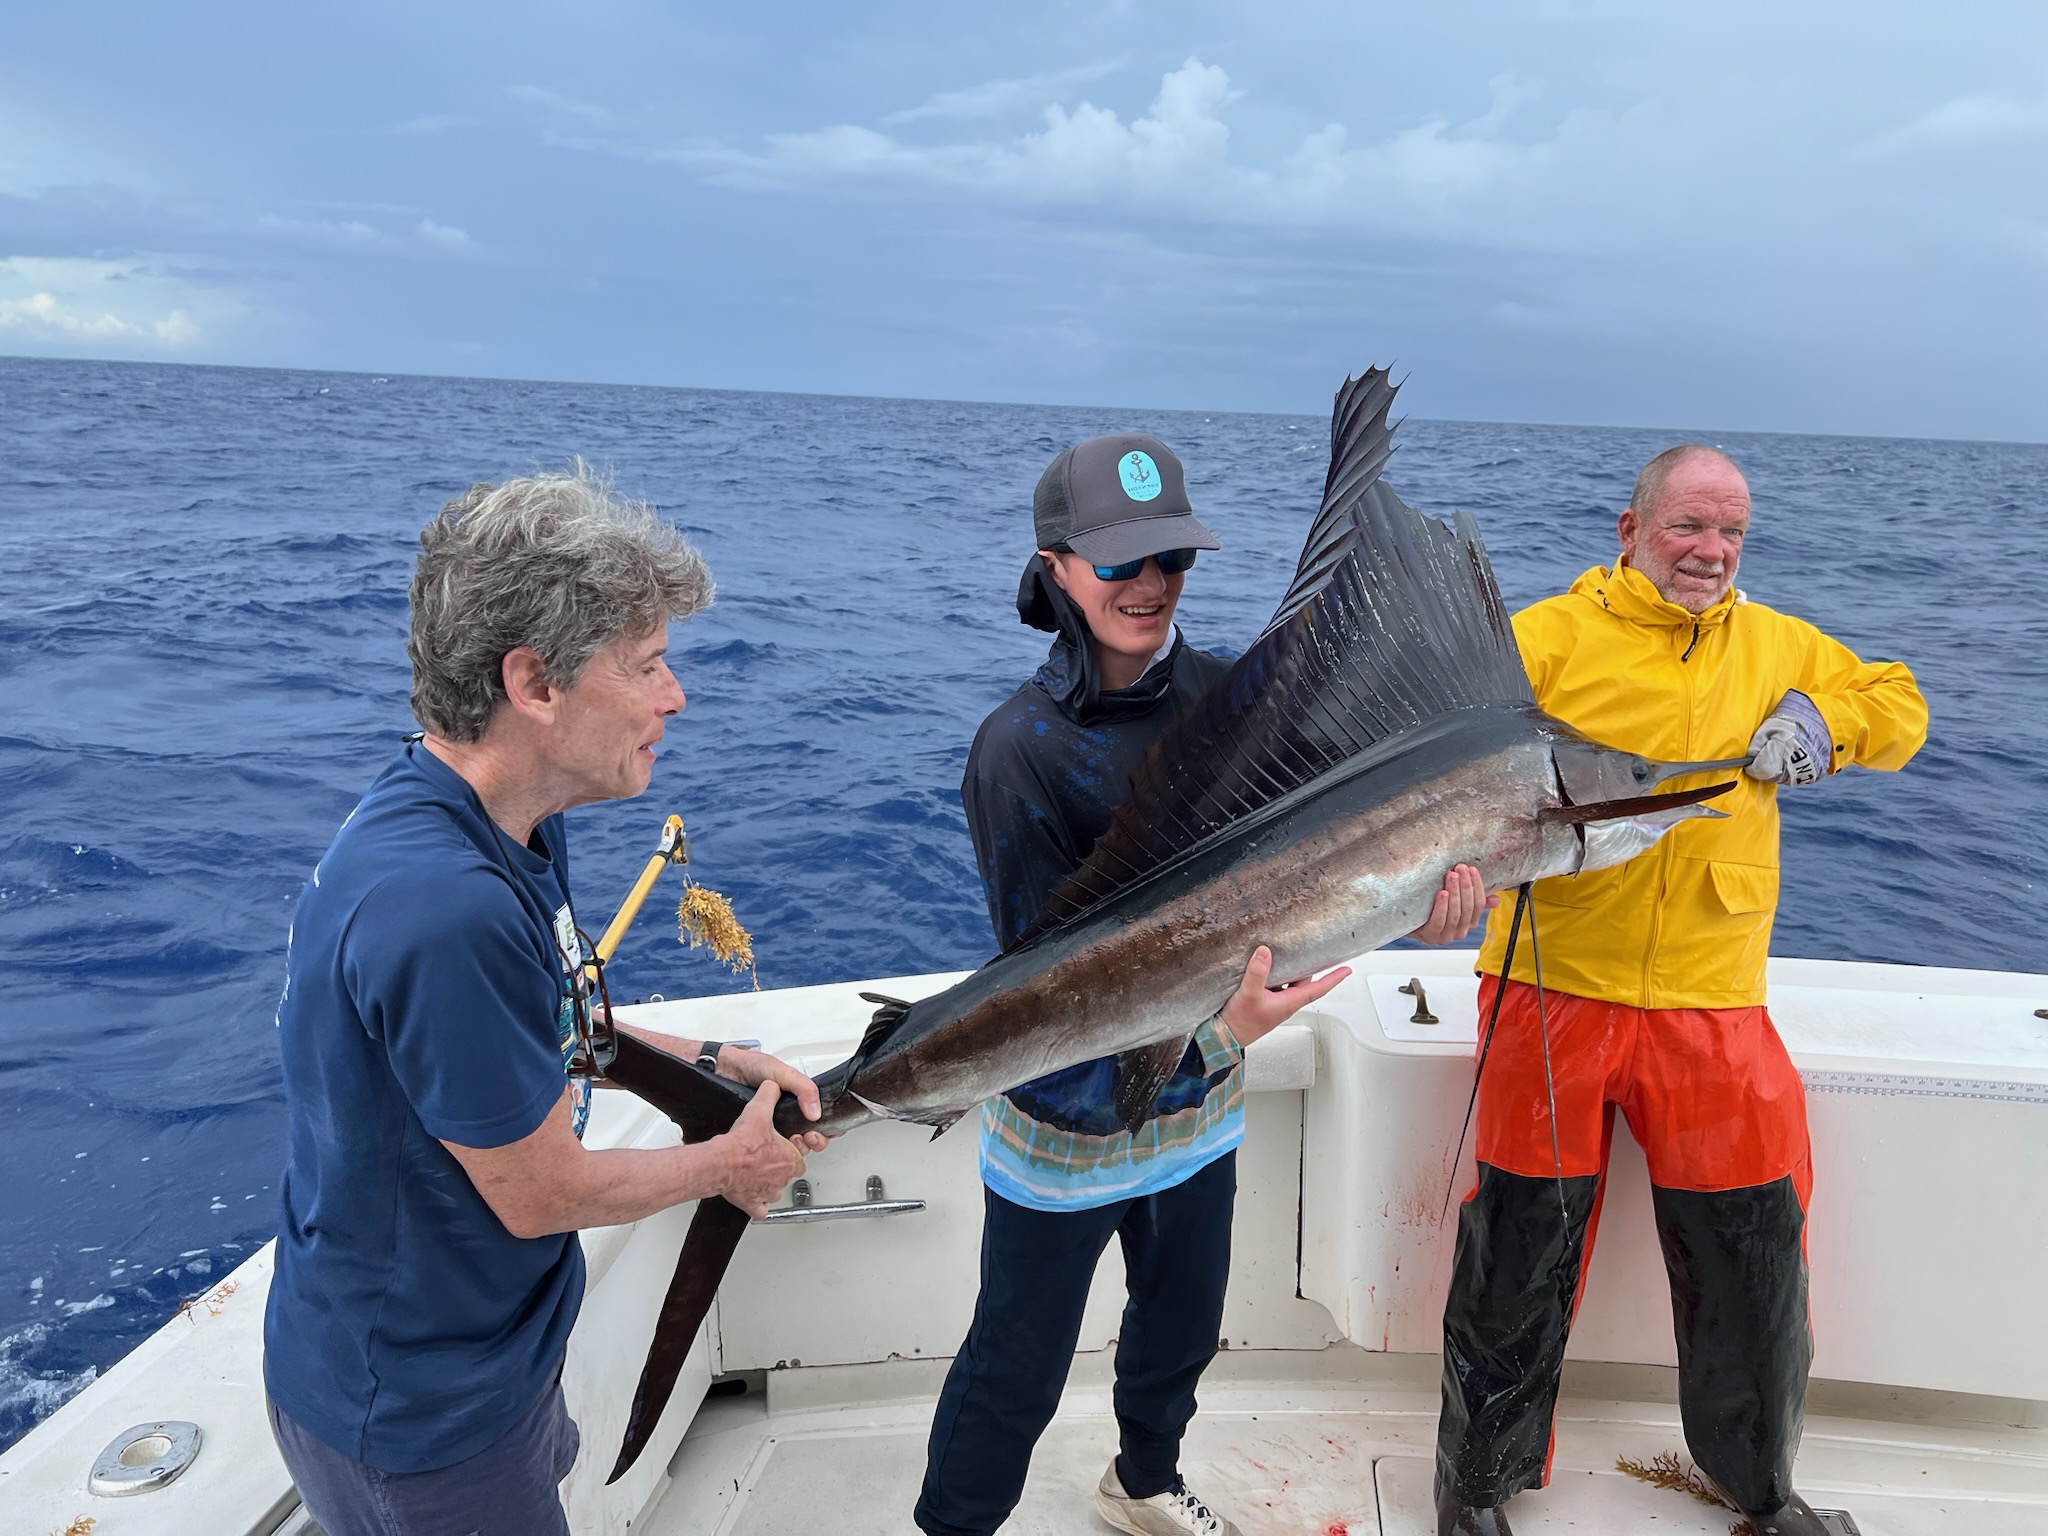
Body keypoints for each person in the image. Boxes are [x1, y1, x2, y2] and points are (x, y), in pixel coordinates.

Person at [916, 434, 1493, 1536]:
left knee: (1180, 1329)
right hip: (1067, 1126)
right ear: (1052, 569)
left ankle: (1140, 1481)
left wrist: (1418, 907)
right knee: (1014, 1366)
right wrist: (1223, 1033)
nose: (1148, 585)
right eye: (1117, 562)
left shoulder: (1240, 698)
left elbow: (1335, 876)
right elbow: (1055, 1003)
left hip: (1198, 1116)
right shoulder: (1017, 750)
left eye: (1170, 558)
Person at [262, 470, 828, 1536]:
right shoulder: (441, 907)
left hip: (494, 1353)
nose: (676, 697)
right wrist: (730, 1165)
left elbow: (544, 1016)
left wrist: (704, 1055)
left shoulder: (511, 821)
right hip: (423, 1416)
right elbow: (537, 1192)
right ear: (534, 684)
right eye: (649, 666)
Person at [1433, 445, 1928, 1536]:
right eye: (1686, 530)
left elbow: (1897, 704)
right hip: (1548, 985)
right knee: (1515, 1254)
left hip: (1712, 998)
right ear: (1628, 528)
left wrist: (1823, 727)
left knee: (1751, 1258)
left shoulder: (1777, 646)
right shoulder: (1542, 641)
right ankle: (1472, 1486)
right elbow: (1439, 764)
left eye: (1730, 534)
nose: (1710, 553)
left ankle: (1756, 1484)